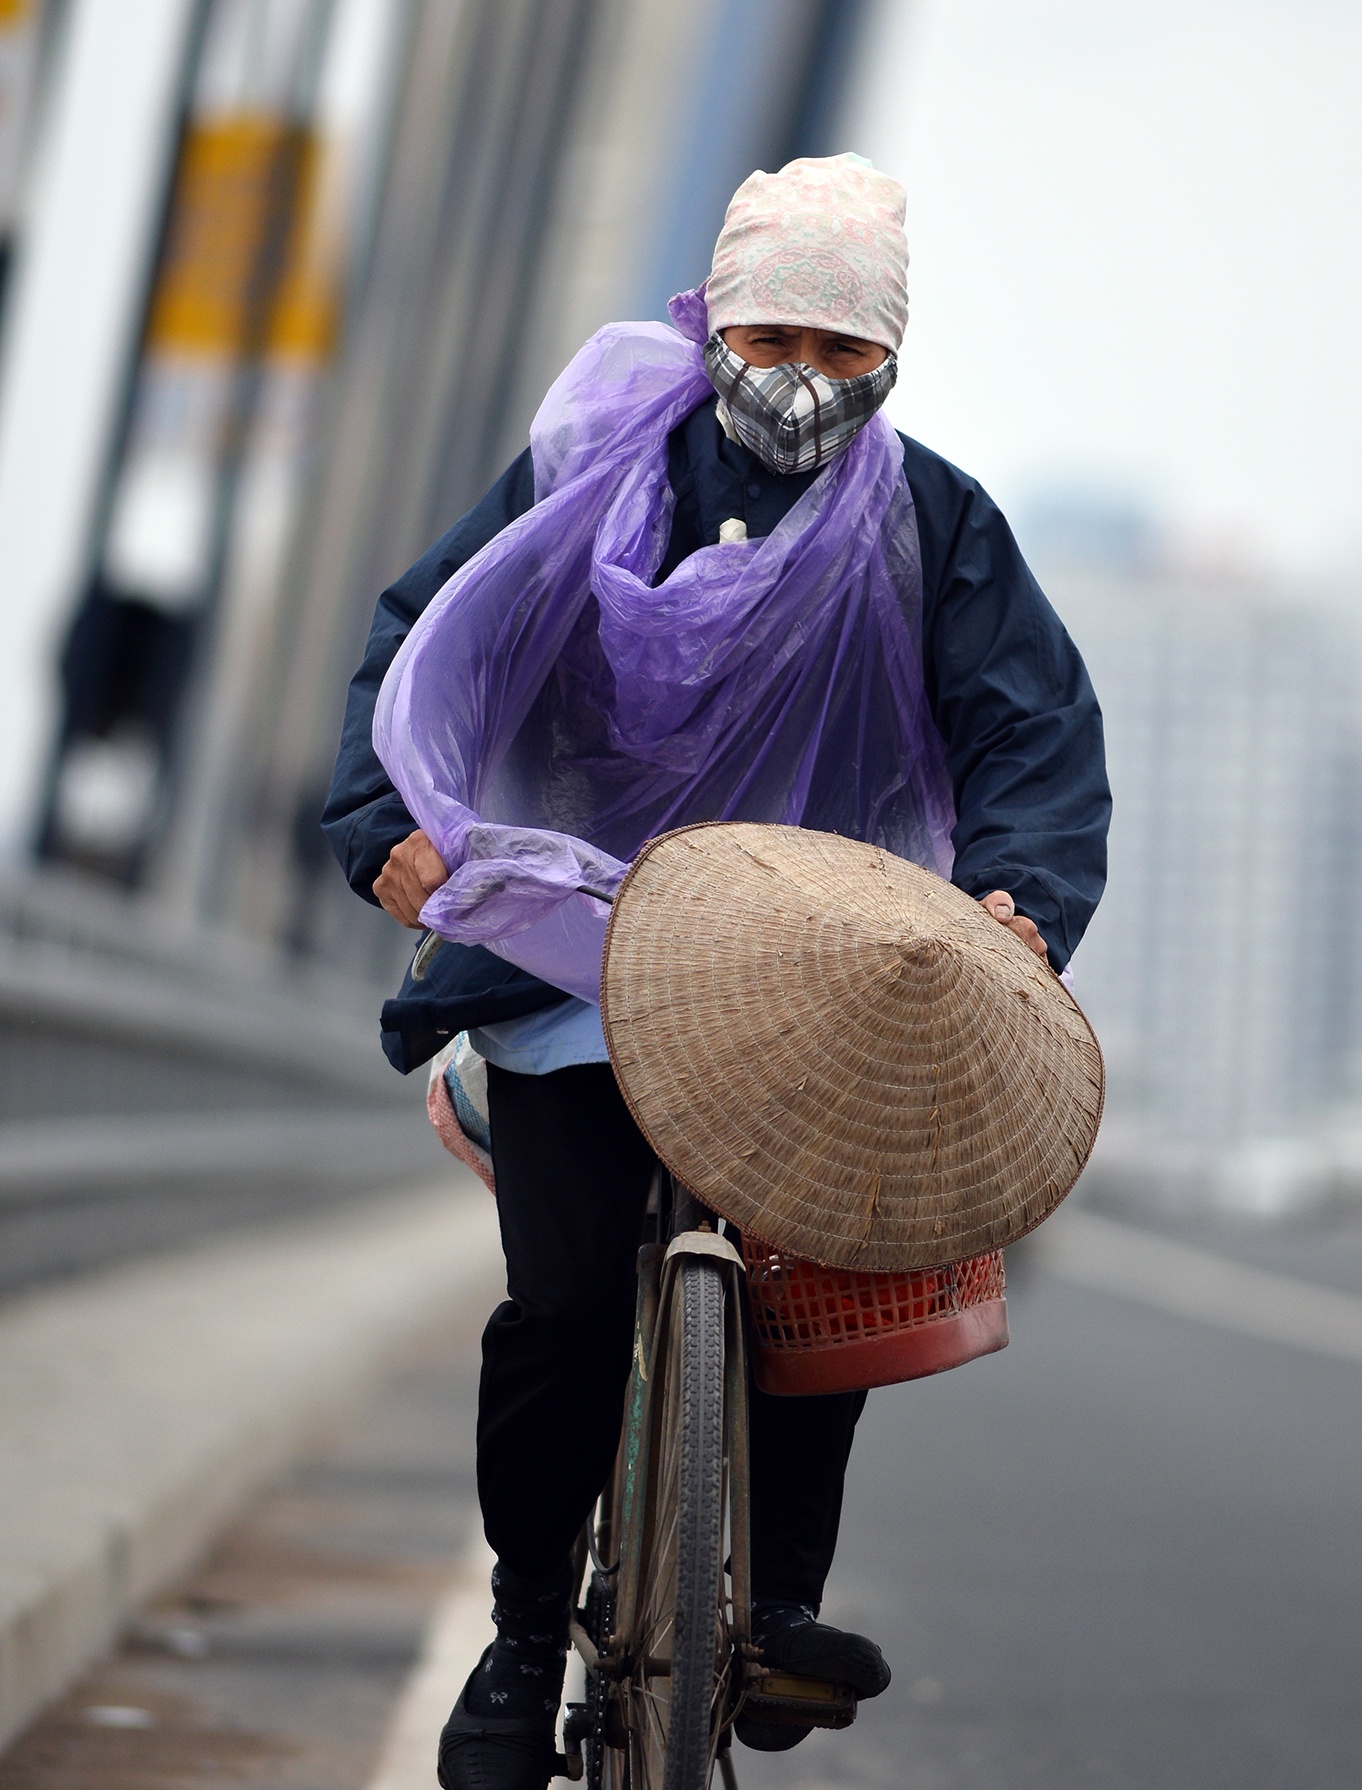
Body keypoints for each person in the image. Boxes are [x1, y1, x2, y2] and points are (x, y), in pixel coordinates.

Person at [323, 154, 1110, 1788]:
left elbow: (1029, 731)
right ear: (712, 323)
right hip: (583, 953)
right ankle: (523, 1631)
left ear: (890, 357)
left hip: (813, 963)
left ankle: (780, 1601)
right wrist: (382, 821)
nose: (803, 377)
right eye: (774, 337)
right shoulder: (592, 473)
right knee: (559, 1309)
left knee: (825, 1276)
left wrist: (1017, 902)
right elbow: (436, 636)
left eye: (843, 348)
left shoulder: (936, 527)